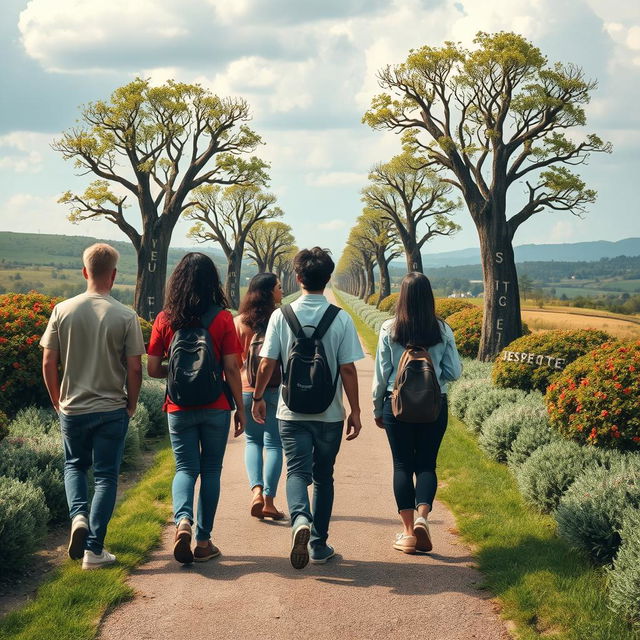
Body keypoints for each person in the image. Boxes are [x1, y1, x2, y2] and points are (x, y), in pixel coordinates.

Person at [251, 247, 364, 569]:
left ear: (298, 278)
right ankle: (318, 543)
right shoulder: (340, 318)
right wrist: (354, 411)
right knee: (324, 477)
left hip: (291, 411)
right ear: (328, 278)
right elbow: (348, 370)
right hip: (329, 413)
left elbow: (266, 362)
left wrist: (258, 397)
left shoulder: (280, 316)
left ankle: (300, 518)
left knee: (297, 471)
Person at [41, 243, 146, 570]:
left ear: (85, 271)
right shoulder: (126, 315)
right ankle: (94, 551)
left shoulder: (62, 310)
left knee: (74, 466)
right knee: (105, 477)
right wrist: (132, 403)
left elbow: (48, 360)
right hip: (111, 408)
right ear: (114, 275)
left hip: (73, 408)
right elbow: (136, 368)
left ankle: (78, 519)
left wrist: (58, 400)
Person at [147, 252, 245, 565]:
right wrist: (240, 408)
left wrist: (176, 374)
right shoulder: (223, 317)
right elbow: (232, 367)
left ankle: (182, 522)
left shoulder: (165, 318)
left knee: (185, 468)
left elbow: (152, 368)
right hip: (216, 405)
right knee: (211, 470)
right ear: (211, 281)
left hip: (178, 405)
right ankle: (204, 542)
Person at [372, 272, 462, 554]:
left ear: (403, 297)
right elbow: (454, 372)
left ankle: (408, 533)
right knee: (426, 464)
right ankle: (423, 516)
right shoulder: (442, 329)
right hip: (435, 404)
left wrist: (377, 407)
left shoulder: (390, 328)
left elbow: (381, 375)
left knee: (402, 465)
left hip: (396, 404)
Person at [234, 273, 286, 520]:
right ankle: (269, 501)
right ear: (268, 292)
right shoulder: (282, 319)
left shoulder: (238, 322)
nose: (282, 290)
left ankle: (255, 490)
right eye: (278, 287)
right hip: (274, 388)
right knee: (275, 443)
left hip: (246, 389)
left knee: (253, 442)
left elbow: (233, 364)